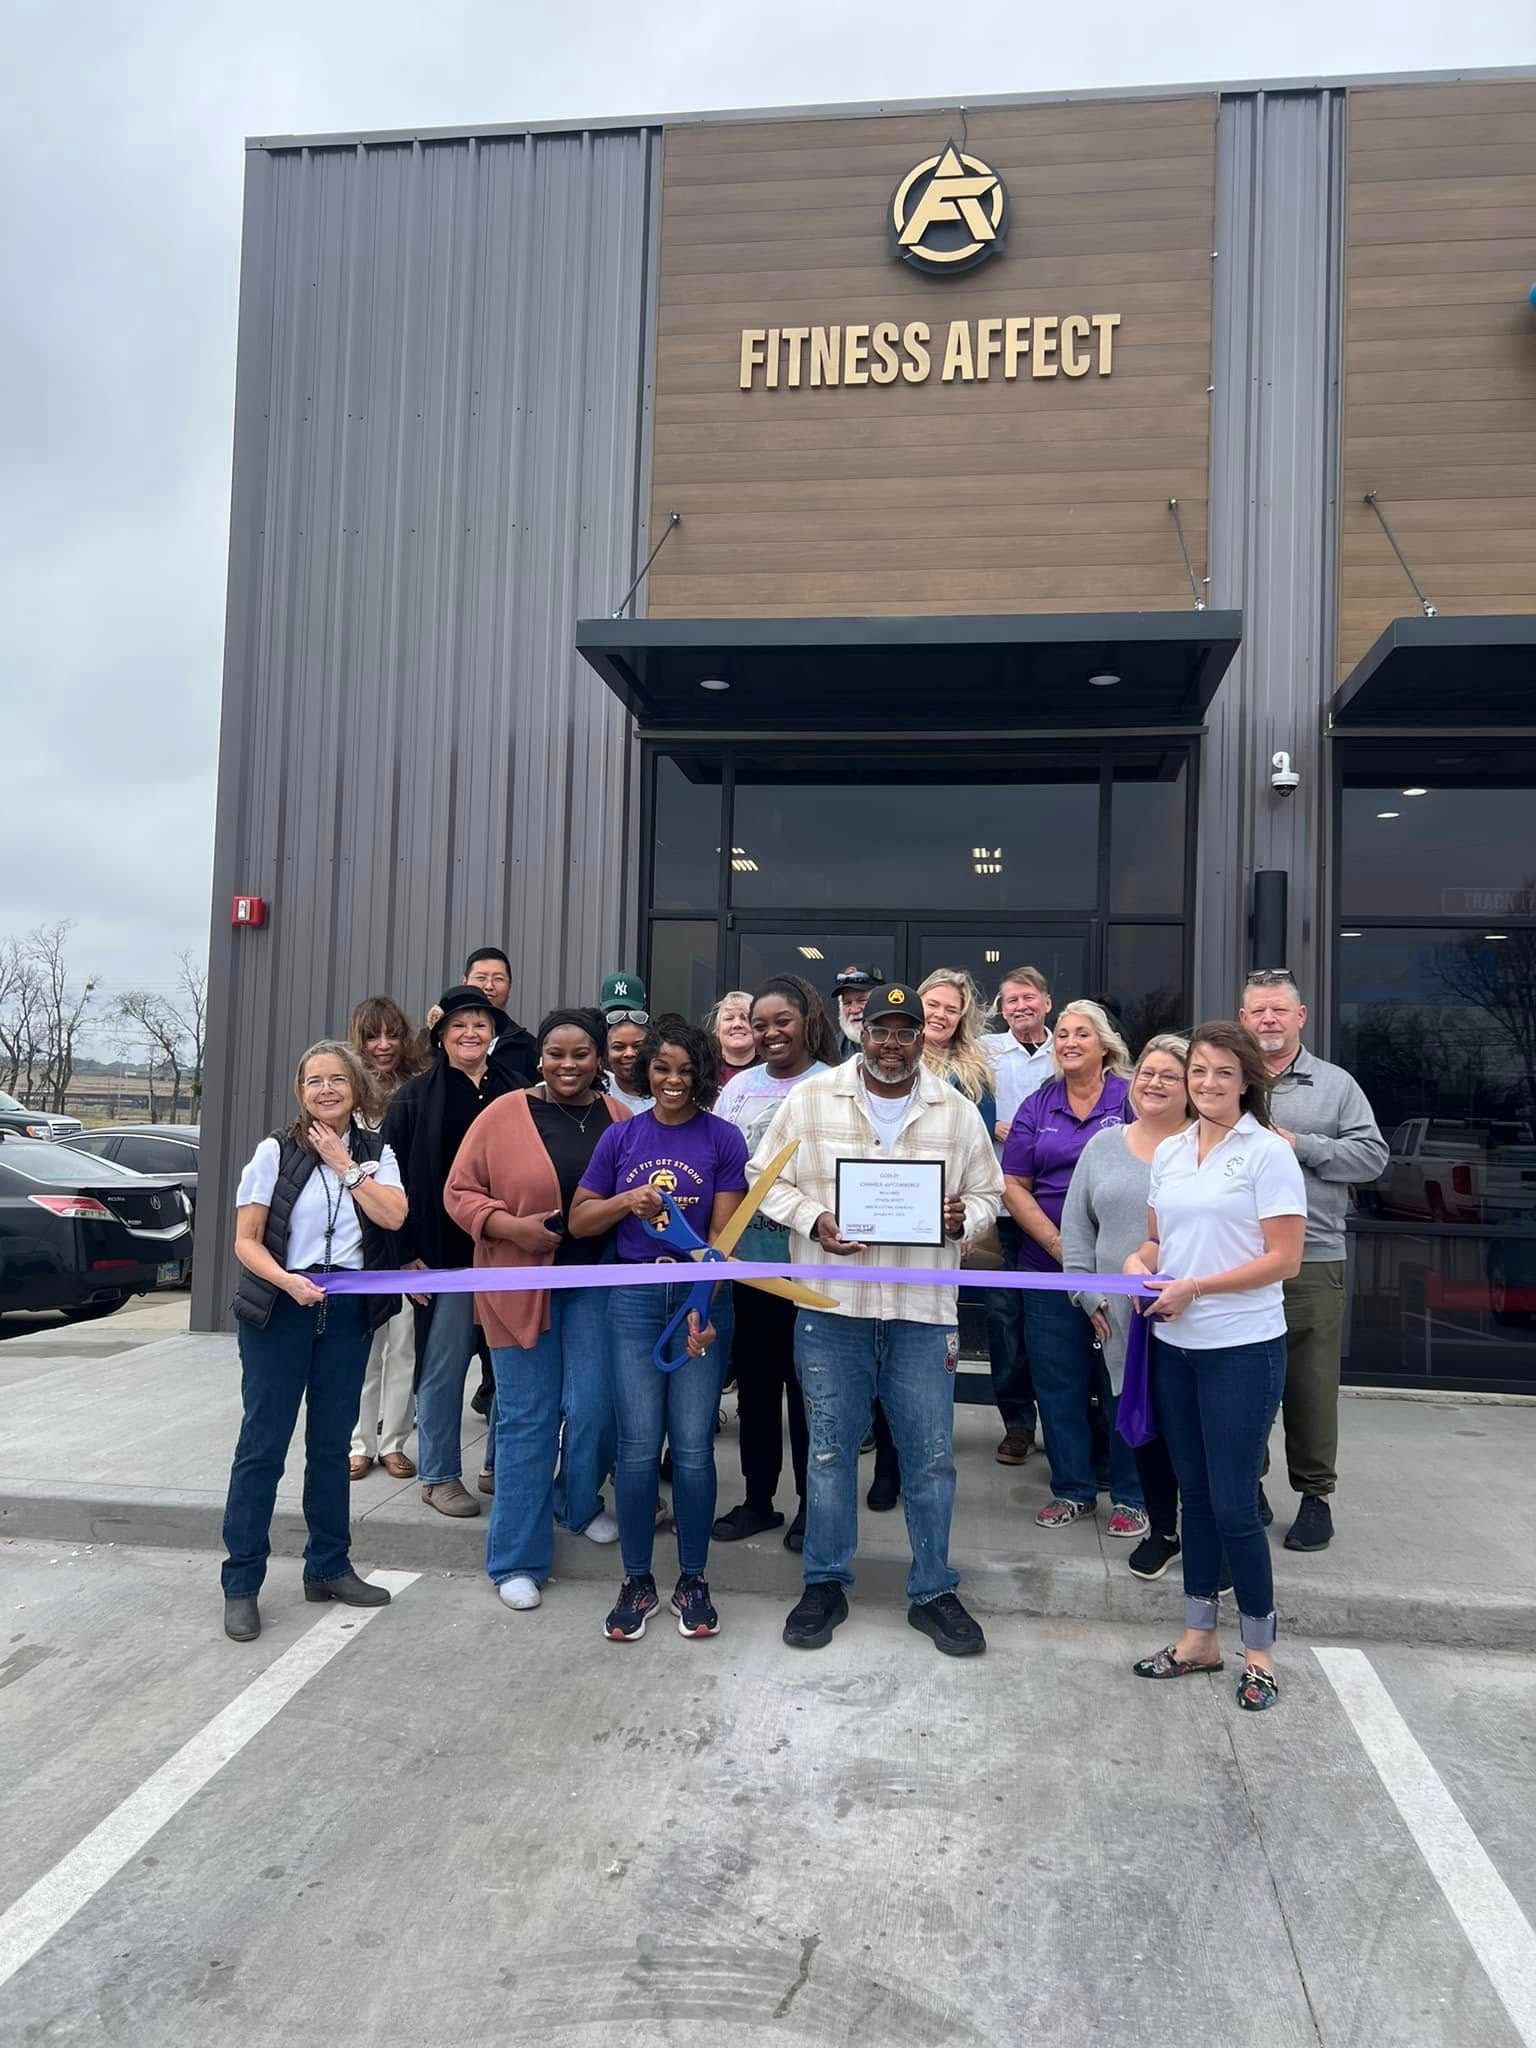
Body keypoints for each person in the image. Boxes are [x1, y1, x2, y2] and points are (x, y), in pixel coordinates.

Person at [751, 982, 1004, 1659]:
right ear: (861, 1033)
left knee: (931, 1459)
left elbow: (990, 1192)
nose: (892, 1044)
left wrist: (966, 1218)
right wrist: (815, 1219)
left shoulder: (955, 1110)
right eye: (881, 1030)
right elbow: (763, 1178)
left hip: (922, 1310)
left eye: (905, 1032)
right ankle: (825, 1582)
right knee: (830, 1452)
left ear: (924, 1039)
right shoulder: (810, 1099)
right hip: (834, 1306)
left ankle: (933, 1590)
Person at [1126, 1021, 1307, 1711]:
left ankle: (1259, 1655)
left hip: (1243, 1350)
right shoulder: (1171, 1152)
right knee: (1195, 1499)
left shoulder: (1268, 1154)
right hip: (1176, 1349)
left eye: (1223, 1073)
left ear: (1247, 1080)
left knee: (1233, 1504)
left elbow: (1284, 1259)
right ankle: (1199, 1640)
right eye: (1198, 1071)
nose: (1207, 1083)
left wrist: (1196, 1288)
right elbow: (1157, 1241)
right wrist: (1137, 1263)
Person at [220, 1041, 408, 1641]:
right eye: (313, 1081)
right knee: (263, 1447)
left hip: (346, 1313)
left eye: (336, 1079)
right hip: (281, 1308)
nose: (325, 1090)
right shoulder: (274, 1151)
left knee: (330, 1448)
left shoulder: (376, 1153)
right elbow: (247, 1240)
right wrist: (287, 1282)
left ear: (355, 1087)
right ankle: (241, 1582)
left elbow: (394, 1216)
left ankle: (328, 1565)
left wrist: (344, 1165)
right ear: (301, 1092)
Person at [444, 1009, 629, 1612]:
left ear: (599, 1059)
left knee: (597, 1408)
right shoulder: (503, 1114)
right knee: (528, 1419)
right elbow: (458, 1192)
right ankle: (516, 1559)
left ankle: (575, 1502)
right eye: (555, 1053)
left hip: (597, 1285)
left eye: (581, 1054)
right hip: (518, 1285)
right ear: (540, 1057)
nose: (567, 1065)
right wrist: (509, 1227)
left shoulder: (619, 1117)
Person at [571, 1015, 749, 1642]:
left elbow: (723, 1240)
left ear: (702, 1076)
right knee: (639, 1445)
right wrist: (627, 1200)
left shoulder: (724, 1138)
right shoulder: (621, 1136)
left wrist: (705, 1307)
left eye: (685, 1070)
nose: (673, 1080)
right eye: (661, 1068)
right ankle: (637, 1579)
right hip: (634, 1297)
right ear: (644, 1070)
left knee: (694, 1447)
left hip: (702, 1300)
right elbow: (581, 1219)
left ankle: (693, 1579)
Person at [1238, 969, 1388, 1552]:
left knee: (1310, 1385)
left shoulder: (1335, 1085)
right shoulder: (1229, 1077)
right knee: (1243, 1381)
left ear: (1300, 1017)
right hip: (1236, 1258)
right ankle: (1248, 1485)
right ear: (1243, 1019)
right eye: (1258, 1011)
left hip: (1313, 1257)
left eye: (1279, 1009)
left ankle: (1314, 1497)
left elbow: (1372, 1158)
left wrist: (1301, 1146)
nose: (1268, 1019)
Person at [1002, 1000, 1145, 1533]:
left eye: (1081, 1033)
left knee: (1122, 1382)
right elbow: (1013, 1184)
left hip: (1120, 1270)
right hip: (1047, 1266)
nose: (1068, 1042)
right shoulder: (1038, 1105)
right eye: (1061, 1034)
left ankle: (1132, 1495)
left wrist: (1100, 1257)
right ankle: (1073, 1490)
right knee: (1057, 1384)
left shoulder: (1131, 1099)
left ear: (1105, 1044)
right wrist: (1062, 1246)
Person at [711, 975, 840, 1553]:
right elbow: (721, 1164)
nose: (769, 1033)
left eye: (781, 1021)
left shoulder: (835, 1085)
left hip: (811, 1266)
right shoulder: (738, 1089)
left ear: (808, 1020)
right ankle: (758, 1500)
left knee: (812, 1394)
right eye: (759, 1024)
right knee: (757, 1392)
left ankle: (814, 1505)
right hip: (751, 1267)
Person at [1060, 1035, 1193, 1581]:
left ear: (1192, 1088)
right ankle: (1164, 1532)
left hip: (1195, 1312)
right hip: (1120, 1317)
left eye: (1169, 1076)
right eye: (1147, 1074)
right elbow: (1076, 1229)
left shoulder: (1209, 1146)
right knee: (1142, 1425)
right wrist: (1086, 1294)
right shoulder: (1103, 1146)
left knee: (1195, 1427)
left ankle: (1210, 1531)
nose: (1154, 1084)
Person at [383, 984, 517, 1518]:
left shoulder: (517, 1089)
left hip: (507, 1253)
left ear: (493, 1032)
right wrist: (404, 1252)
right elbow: (390, 1177)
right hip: (443, 1255)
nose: (470, 1033)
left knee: (511, 1366)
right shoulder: (414, 1096)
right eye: (459, 1024)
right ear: (440, 1035)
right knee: (443, 1366)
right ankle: (438, 1475)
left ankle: (500, 1466)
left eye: (480, 1024)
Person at [346, 995, 428, 1480]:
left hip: (403, 1241)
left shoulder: (416, 1093)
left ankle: (394, 1441)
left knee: (402, 1345)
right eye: (372, 1036)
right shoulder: (344, 1093)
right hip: (355, 1245)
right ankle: (360, 1443)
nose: (383, 1045)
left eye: (392, 1035)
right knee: (362, 1349)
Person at [979, 965, 1055, 1465]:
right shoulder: (984, 1053)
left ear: (1047, 1002)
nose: (1021, 1007)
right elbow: (960, 1107)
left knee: (1057, 1322)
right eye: (1011, 1001)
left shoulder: (1067, 1047)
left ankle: (1066, 1421)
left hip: (1055, 1207)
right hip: (1002, 1209)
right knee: (1005, 1322)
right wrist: (992, 1126)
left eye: (1029, 998)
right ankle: (1018, 1424)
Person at [424, 948, 538, 1089]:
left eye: (498, 979)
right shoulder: (427, 1039)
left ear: (510, 986)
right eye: (481, 978)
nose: (489, 986)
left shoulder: (527, 1046)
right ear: (464, 982)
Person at [602, 978, 654, 1116]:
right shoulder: (596, 1089)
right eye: (618, 1047)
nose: (629, 1053)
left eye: (638, 1046)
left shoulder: (664, 1092)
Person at [703, 990, 758, 1078]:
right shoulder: (702, 1072)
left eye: (745, 1018)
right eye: (729, 1018)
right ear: (717, 1030)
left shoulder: (775, 1070)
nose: (737, 1024)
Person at [832, 964, 883, 1056]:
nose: (854, 1010)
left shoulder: (898, 1047)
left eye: (862, 1001)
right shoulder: (830, 1052)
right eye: (847, 1003)